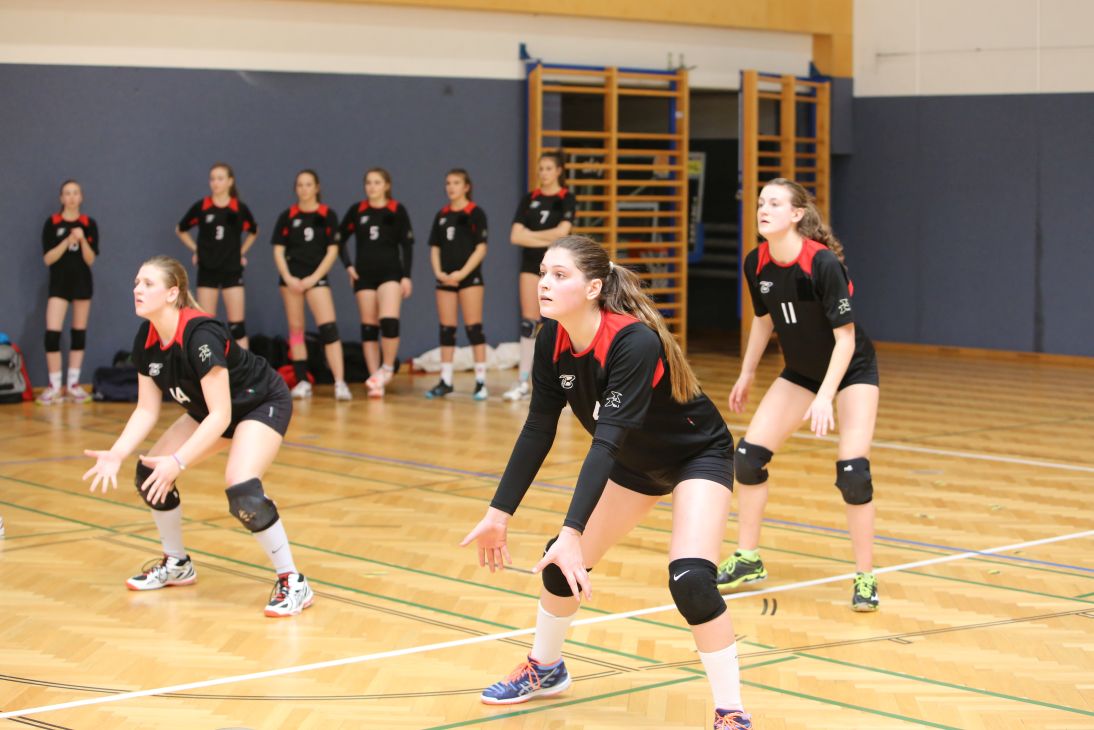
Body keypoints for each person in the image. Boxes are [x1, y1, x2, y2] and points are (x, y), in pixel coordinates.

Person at [461, 236, 750, 728]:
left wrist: (573, 531)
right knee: (560, 567)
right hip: (635, 464)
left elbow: (605, 445)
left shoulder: (633, 342)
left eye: (560, 275)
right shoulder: (551, 339)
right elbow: (537, 430)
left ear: (593, 288)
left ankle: (732, 711)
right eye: (543, 273)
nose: (544, 283)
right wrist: (498, 513)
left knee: (691, 581)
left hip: (695, 456)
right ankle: (546, 668)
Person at [81, 255, 314, 617]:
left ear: (172, 293)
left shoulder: (201, 335)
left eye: (148, 283)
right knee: (149, 473)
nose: (137, 289)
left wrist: (178, 462)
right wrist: (117, 452)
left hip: (258, 403)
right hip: (213, 412)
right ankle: (177, 563)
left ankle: (293, 581)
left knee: (242, 489)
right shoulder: (146, 337)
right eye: (136, 282)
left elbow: (222, 415)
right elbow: (146, 409)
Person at [717, 178, 880, 612]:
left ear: (796, 215)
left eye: (774, 203)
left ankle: (865, 576)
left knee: (853, 472)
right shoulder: (756, 263)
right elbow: (764, 320)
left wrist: (825, 396)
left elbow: (845, 340)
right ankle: (748, 558)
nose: (763, 209)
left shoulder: (821, 263)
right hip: (802, 372)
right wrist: (747, 372)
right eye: (760, 203)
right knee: (748, 458)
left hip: (851, 371)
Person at [271, 169, 351, 400]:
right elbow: (278, 250)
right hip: (292, 280)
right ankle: (302, 381)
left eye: (308, 184)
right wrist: (288, 277)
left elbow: (333, 250)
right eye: (300, 185)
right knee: (296, 330)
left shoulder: (327, 215)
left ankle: (339, 382)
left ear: (317, 188)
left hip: (316, 278)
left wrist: (314, 278)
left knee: (329, 329)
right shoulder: (287, 216)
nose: (304, 189)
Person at [503, 151, 575, 401]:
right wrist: (548, 236)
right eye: (541, 168)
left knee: (560, 324)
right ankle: (523, 381)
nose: (543, 173)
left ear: (558, 171)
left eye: (548, 168)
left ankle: (565, 384)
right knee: (529, 323)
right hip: (531, 265)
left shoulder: (566, 198)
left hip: (557, 266)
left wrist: (531, 236)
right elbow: (515, 236)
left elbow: (563, 233)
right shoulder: (529, 199)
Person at [339, 168, 414, 397]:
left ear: (386, 185)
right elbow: (338, 239)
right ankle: (375, 378)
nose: (372, 187)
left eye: (377, 182)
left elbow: (407, 245)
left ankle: (388, 366)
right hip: (364, 275)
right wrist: (348, 266)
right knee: (369, 327)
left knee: (389, 321)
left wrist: (406, 276)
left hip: (390, 273)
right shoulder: (357, 210)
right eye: (368, 183)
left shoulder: (396, 210)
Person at [175, 162, 258, 349]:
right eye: (212, 179)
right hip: (208, 268)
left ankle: (243, 367)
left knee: (237, 327)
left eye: (220, 179)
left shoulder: (239, 208)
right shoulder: (203, 206)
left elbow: (254, 230)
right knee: (206, 324)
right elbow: (180, 229)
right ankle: (209, 365)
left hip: (232, 269)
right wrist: (197, 249)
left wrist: (241, 251)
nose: (215, 183)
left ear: (230, 181)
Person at [425, 169, 489, 400]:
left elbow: (481, 248)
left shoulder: (475, 213)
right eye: (448, 183)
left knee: (474, 329)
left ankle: (480, 382)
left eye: (456, 183)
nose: (451, 187)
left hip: (469, 278)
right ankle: (446, 380)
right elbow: (435, 247)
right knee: (447, 329)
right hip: (445, 279)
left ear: (466, 187)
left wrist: (462, 273)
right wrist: (439, 272)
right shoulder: (441, 215)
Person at [38, 180, 98, 404]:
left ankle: (73, 385)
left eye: (75, 193)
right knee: (52, 334)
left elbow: (90, 259)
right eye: (67, 193)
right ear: (61, 198)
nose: (71, 197)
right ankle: (55, 386)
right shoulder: (52, 223)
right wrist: (67, 241)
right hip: (59, 285)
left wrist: (82, 240)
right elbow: (48, 258)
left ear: (81, 197)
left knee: (78, 333)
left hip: (82, 284)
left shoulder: (89, 224)